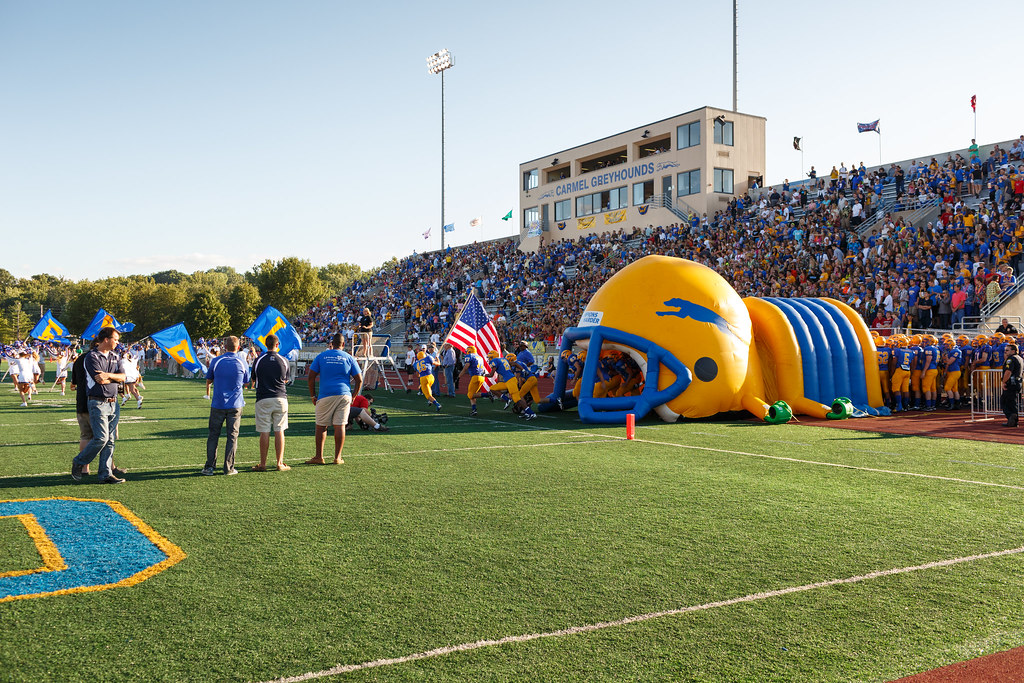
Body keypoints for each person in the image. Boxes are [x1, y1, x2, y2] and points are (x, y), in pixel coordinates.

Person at [71, 327, 128, 484]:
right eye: (115, 339)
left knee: (110, 440)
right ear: (106, 339)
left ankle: (105, 474)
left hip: (113, 402)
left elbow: (123, 377)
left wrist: (110, 376)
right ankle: (79, 461)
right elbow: (99, 380)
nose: (117, 342)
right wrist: (114, 379)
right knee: (102, 438)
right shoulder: (92, 357)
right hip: (98, 401)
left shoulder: (115, 356)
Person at [307, 332, 362, 465]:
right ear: (343, 344)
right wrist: (353, 396)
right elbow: (359, 380)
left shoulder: (322, 356)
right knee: (340, 425)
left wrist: (313, 395)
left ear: (332, 344)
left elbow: (311, 376)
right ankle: (338, 457)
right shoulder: (349, 357)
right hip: (344, 394)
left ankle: (319, 457)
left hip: (325, 394)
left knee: (321, 425)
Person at [202, 336, 250, 476]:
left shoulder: (217, 361)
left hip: (218, 403)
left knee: (213, 435)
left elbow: (209, 380)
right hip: (235, 404)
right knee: (232, 436)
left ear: (224, 346)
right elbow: (246, 381)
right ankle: (228, 467)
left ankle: (210, 466)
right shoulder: (242, 362)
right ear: (238, 346)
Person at [251, 333, 291, 472]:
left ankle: (263, 464)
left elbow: (254, 380)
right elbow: (286, 380)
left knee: (264, 431)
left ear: (265, 345)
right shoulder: (284, 360)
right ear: (277, 345)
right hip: (280, 398)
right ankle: (279, 463)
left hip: (263, 398)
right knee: (279, 431)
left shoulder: (258, 360)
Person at [1000, 342, 1023, 427]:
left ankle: (1012, 417)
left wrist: (1003, 382)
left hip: (1011, 383)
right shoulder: (1019, 358)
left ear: (1013, 351)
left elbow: (1008, 372)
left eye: (1007, 350)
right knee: (1012, 401)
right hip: (1017, 382)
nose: (1005, 352)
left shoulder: (1011, 359)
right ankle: (1013, 419)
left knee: (1006, 401)